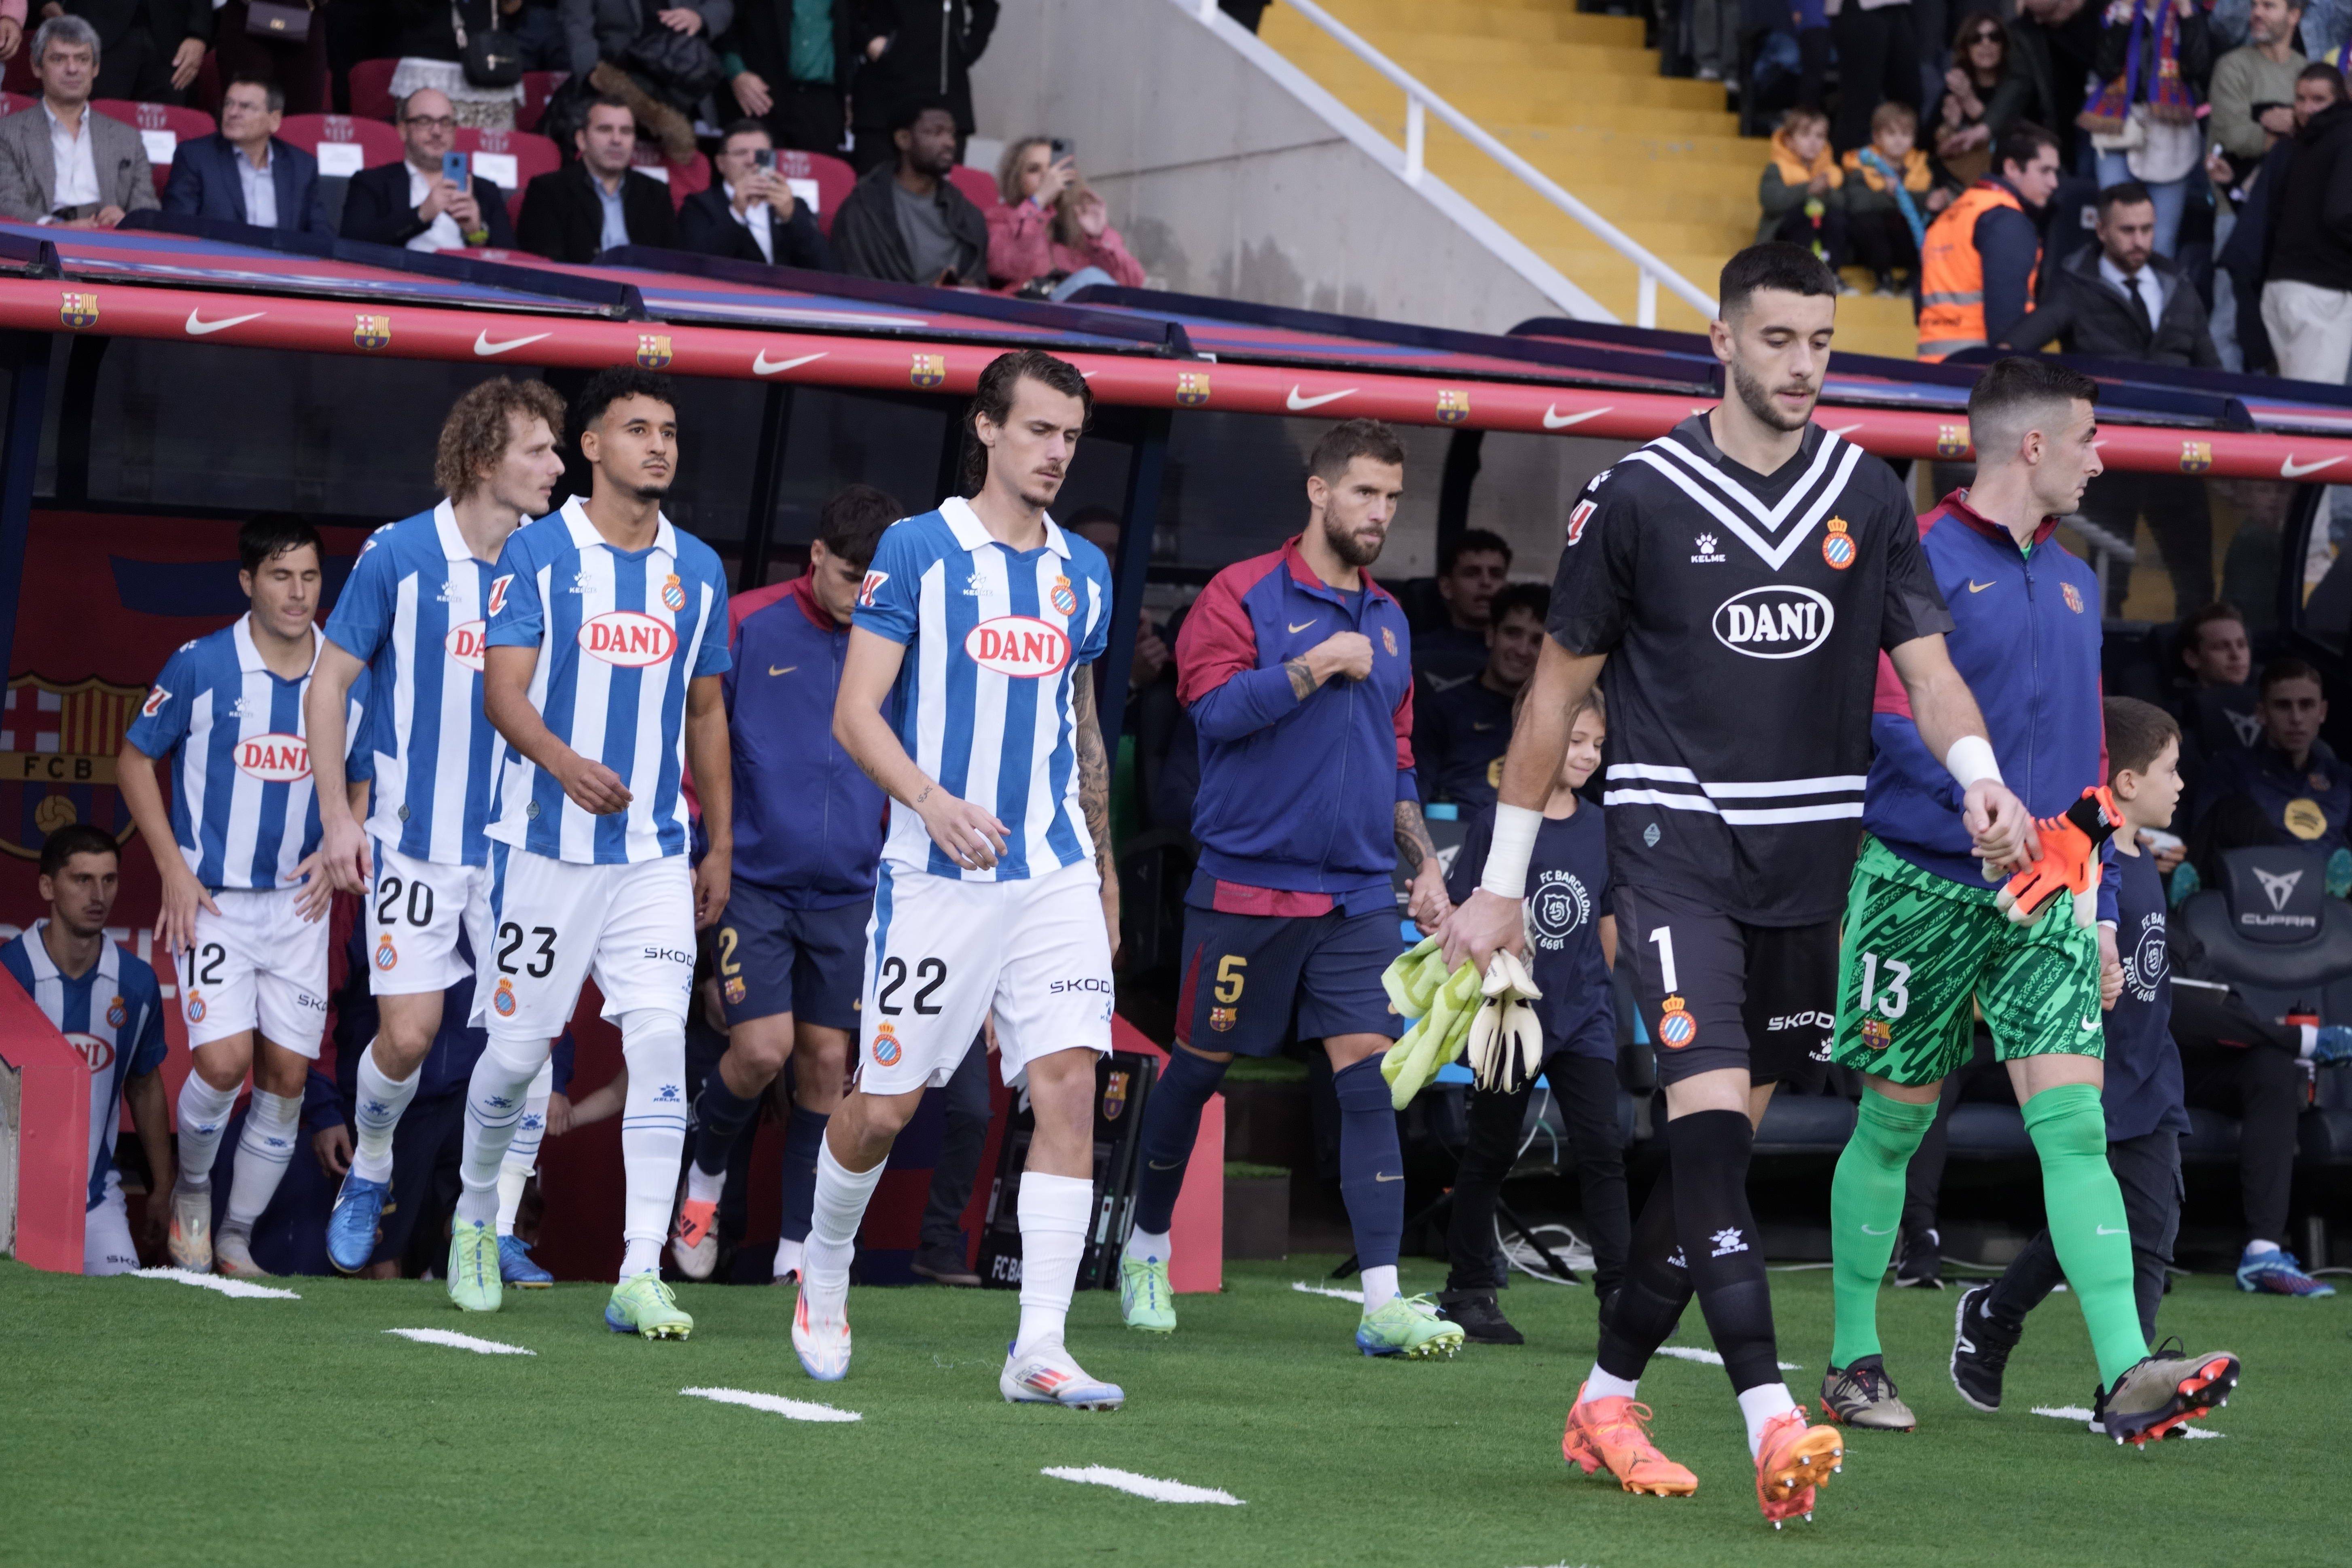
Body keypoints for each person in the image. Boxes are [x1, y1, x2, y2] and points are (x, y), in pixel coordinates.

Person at [1435, 244, 2029, 1525]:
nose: (1805, 364)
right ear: (1721, 339)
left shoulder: (1868, 494)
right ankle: (1772, 1416)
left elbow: (1926, 668)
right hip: (1676, 853)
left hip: (1809, 870)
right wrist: (1498, 882)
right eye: (1779, 340)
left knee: (1709, 1159)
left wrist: (1978, 771)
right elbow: (1556, 690)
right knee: (1706, 1135)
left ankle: (1604, 1397)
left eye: (1822, 340)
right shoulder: (1635, 496)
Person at [1819, 356, 2241, 1446]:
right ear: (2033, 445)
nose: (2105, 458)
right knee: (1891, 1123)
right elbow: (1876, 721)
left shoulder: (2076, 578)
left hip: (2045, 899)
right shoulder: (1913, 558)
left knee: (2075, 1128)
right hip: (1918, 883)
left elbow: (2092, 766)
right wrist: (1968, 796)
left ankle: (2124, 1369)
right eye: (2091, 438)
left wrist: (2096, 900)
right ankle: (1849, 1358)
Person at [796, 348, 1122, 1410]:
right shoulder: (918, 548)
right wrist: (932, 802)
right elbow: (854, 714)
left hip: (1053, 876)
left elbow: (1079, 732)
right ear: (985, 428)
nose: (1055, 452)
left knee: (1068, 1086)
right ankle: (825, 1269)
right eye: (1037, 429)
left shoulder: (1086, 569)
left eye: (1069, 435)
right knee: (883, 1107)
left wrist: (1103, 870)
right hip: (934, 881)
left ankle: (1038, 1343)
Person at [1119, 417, 1458, 1362]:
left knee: (1368, 1080)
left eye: (1390, 497)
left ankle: (1382, 1299)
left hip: (1354, 893)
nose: (1378, 513)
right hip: (1246, 887)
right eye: (1362, 492)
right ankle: (1144, 1249)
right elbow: (1211, 713)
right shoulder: (1240, 595)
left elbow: (1395, 759)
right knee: (1197, 1068)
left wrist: (1422, 864)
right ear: (1317, 491)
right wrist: (1311, 667)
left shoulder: (1388, 619)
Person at [447, 367, 732, 1338]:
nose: (658, 445)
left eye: (670, 430)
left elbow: (705, 709)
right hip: (544, 847)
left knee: (658, 1040)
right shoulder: (535, 554)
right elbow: (503, 693)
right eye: (636, 428)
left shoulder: (697, 568)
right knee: (519, 1052)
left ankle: (638, 1266)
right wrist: (566, 764)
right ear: (593, 448)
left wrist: (719, 840)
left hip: (653, 852)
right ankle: (475, 1213)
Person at [305, 377, 568, 1277]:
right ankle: (370, 1172)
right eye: (539, 450)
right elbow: (328, 684)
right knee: (410, 1037)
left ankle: (491, 1224)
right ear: (486, 459)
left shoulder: (553, 559)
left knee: (525, 1044)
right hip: (416, 842)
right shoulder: (400, 554)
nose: (557, 467)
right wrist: (340, 817)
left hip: (518, 854)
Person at [1946, 698, 2224, 1416]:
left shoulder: (2142, 858)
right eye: (2169, 769)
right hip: (2095, 1068)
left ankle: (2023, 1331)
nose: (2180, 785)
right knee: (2127, 1230)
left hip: (2149, 1070)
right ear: (2125, 782)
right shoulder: (2088, 860)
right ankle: (2120, 1381)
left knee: (2144, 1227)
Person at [117, 515, 370, 1279]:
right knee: (224, 1065)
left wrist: (343, 839)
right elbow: (133, 761)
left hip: (299, 906)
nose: (297, 594)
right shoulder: (200, 665)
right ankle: (192, 1189)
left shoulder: (345, 669)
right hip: (216, 900)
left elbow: (363, 772)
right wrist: (173, 867)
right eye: (279, 576)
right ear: (247, 583)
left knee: (288, 1076)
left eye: (310, 577)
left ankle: (233, 1237)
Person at [670, 485, 896, 1285]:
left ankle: (797, 1250)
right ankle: (704, 1183)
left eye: (877, 581)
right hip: (756, 880)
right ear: (818, 559)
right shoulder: (749, 620)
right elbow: (699, 743)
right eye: (849, 576)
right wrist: (714, 848)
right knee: (759, 1050)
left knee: (826, 1063)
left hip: (850, 890)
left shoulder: (896, 633)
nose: (861, 594)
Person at [1438, 687, 1628, 1345]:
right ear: (1536, 735)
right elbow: (1468, 920)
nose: (1587, 755)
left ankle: (1619, 1297)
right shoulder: (1500, 823)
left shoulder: (1601, 825)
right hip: (1509, 1015)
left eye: (1596, 745)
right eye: (1576, 741)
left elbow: (1605, 926)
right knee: (1489, 1150)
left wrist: (1593, 994)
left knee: (1603, 1149)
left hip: (1584, 1019)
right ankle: (1467, 1289)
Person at [2004, 183, 2219, 616]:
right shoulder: (2074, 286)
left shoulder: (2177, 283)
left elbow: (2212, 373)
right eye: (2128, 230)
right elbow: (2015, 350)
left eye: (2147, 229)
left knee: (2197, 581)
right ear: (2101, 230)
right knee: (2107, 586)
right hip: (2108, 458)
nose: (2139, 240)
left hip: (2180, 456)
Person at [0, 825, 170, 1277]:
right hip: (7, 1196)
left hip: (93, 1198)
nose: (98, 894)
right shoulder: (8, 975)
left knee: (122, 1318)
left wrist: (163, 1187)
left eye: (109, 880)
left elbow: (145, 1085)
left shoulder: (136, 984)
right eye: (82, 880)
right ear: (46, 886)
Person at [1918, 121, 2062, 359]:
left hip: (1932, 363)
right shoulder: (2007, 221)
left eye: (2056, 172)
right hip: (1980, 371)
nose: (2054, 183)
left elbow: (1919, 301)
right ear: (2012, 168)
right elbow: (2006, 325)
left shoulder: (1953, 213)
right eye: (2045, 171)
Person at [2080, 0, 2213, 259]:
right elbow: (2106, 67)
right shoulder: (2113, 11)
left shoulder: (2191, 13)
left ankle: (2153, 299)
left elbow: (2198, 67)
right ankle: (2111, 298)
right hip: (2119, 128)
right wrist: (2125, 15)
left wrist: (2186, 13)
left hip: (2171, 134)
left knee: (2160, 244)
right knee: (2116, 231)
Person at [0, 18, 156, 228]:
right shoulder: (7, 132)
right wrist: (55, 226)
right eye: (59, 59)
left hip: (111, 243)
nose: (73, 69)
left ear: (95, 69)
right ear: (37, 67)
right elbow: (7, 204)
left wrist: (127, 219)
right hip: (41, 245)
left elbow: (148, 209)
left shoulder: (128, 138)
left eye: (83, 59)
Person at [2191, 657, 2350, 859]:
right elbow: (2201, 851)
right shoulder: (2230, 770)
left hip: (2331, 888)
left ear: (2322, 712)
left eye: (2307, 705)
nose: (2297, 719)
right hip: (2259, 883)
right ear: (2262, 714)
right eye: (2284, 706)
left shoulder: (2343, 779)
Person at [1414, 581, 1547, 814]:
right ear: (1490, 636)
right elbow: (1413, 800)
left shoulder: (1561, 721)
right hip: (1452, 839)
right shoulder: (1439, 711)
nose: (1523, 650)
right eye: (1513, 633)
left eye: (1538, 641)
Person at [829, 97, 987, 285]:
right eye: (936, 133)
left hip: (952, 314)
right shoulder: (863, 211)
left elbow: (979, 283)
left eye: (952, 134)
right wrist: (925, 297)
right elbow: (852, 283)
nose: (950, 143)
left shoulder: (968, 217)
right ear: (904, 140)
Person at [2259, 67, 2352, 383]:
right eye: (2301, 98)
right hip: (2320, 297)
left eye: (2318, 99)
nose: (2307, 108)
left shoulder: (2300, 143)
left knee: (2293, 409)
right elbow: (2341, 213)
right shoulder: (2344, 136)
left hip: (2281, 289)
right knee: (2314, 416)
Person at [339, 88, 517, 252]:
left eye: (445, 122)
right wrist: (421, 215)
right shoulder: (371, 183)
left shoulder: (485, 190)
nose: (437, 132)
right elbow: (351, 245)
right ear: (402, 131)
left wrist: (477, 233)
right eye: (425, 122)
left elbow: (513, 259)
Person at [561, 0, 734, 165]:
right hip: (617, 86)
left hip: (683, 91)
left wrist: (700, 18)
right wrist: (596, 77)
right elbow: (578, 31)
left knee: (690, 175)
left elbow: (722, 5)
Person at [515, 95, 680, 264]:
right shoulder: (548, 191)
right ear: (582, 140)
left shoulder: (656, 193)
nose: (617, 140)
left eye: (626, 131)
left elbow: (672, 265)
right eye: (605, 129)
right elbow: (544, 264)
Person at [161, 77, 332, 237]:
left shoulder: (302, 166)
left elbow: (321, 237)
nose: (233, 113)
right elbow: (177, 231)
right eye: (228, 104)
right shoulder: (195, 157)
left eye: (246, 107)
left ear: (274, 120)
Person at [848, 0, 996, 173]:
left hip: (944, 96)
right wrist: (867, 41)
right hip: (883, 100)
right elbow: (845, 8)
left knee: (942, 192)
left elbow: (987, 6)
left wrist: (966, 48)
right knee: (874, 188)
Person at [985, 137, 1146, 295]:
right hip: (1028, 306)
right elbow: (1005, 267)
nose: (1047, 176)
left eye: (1053, 168)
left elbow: (1132, 284)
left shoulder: (1078, 217)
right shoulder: (1000, 217)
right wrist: (1037, 204)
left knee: (1095, 282)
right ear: (1016, 178)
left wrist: (1099, 238)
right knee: (1091, 279)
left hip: (1079, 312)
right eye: (1034, 170)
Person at [679, 119, 836, 269]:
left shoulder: (794, 205)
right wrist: (736, 214)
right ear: (721, 164)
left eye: (761, 154)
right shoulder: (699, 206)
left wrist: (791, 218)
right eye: (741, 153)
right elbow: (695, 266)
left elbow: (826, 268)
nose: (752, 161)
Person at [1838, 101, 1954, 295]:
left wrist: (1934, 201)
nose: (1899, 141)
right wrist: (1896, 195)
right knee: (1866, 221)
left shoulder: (1920, 167)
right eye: (1891, 134)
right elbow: (1859, 204)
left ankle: (1916, 280)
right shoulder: (1862, 164)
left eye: (1905, 134)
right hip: (1873, 245)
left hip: (1906, 240)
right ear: (1877, 137)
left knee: (1937, 223)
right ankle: (1884, 279)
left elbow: (1928, 201)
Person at [720, 0, 856, 154]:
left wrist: (849, 92)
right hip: (762, 94)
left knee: (816, 172)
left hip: (821, 100)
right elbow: (727, 25)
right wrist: (737, 74)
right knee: (759, 170)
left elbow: (854, 32)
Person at [387, 0, 524, 131]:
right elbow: (406, 11)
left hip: (493, 68)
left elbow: (514, 12)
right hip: (432, 67)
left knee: (490, 152)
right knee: (430, 147)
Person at [2208, 0, 2308, 174]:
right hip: (2241, 193)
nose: (2257, 13)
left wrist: (2294, 124)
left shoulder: (2307, 71)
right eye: (2254, 5)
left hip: (2294, 188)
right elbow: (2235, 138)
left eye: (2268, 6)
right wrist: (2298, 130)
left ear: (2294, 16)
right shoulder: (2233, 66)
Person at [44, 0, 206, 104]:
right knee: (97, 131)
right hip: (96, 33)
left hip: (172, 39)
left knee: (163, 135)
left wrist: (199, 33)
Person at [1415, 528, 1513, 692]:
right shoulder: (1414, 650)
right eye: (1472, 574)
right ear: (1447, 587)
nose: (1486, 582)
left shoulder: (1519, 655)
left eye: (1496, 575)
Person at [1827, 0, 1923, 156]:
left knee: (1910, 97)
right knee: (1860, 102)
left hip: (1899, 6)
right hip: (1859, 8)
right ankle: (1849, 172)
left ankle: (1908, 170)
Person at [1755, 106, 1843, 262]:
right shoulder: (1778, 168)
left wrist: (1826, 192)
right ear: (1789, 141)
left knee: (1836, 219)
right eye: (1805, 135)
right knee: (1801, 216)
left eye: (1820, 136)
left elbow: (1845, 205)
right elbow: (1771, 202)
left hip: (1821, 237)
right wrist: (1808, 190)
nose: (1813, 142)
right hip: (1781, 239)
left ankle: (1831, 273)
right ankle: (1799, 272)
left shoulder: (1831, 172)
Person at [1935, 11, 2011, 183]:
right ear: (1966, 48)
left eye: (1994, 37)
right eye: (1976, 38)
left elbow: (2014, 139)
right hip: (1955, 180)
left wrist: (1969, 102)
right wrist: (1949, 127)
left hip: (2001, 181)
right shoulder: (1956, 85)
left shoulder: (2014, 89)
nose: (1986, 44)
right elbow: (1926, 146)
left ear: (2004, 44)